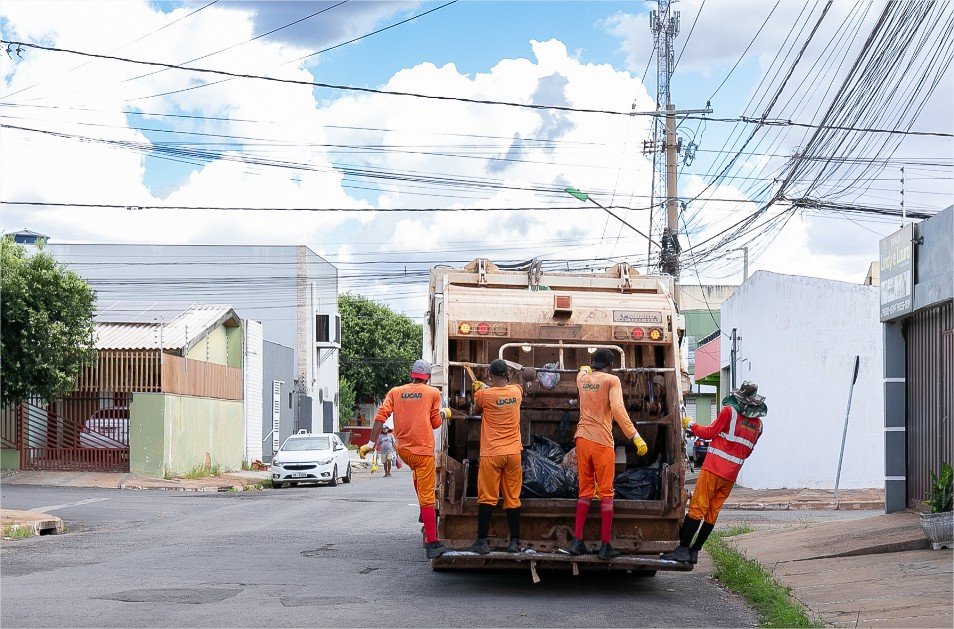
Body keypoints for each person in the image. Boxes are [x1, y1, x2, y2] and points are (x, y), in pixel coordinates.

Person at [662, 380, 767, 564]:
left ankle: (682, 550)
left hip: (713, 469)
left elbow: (709, 433)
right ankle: (695, 551)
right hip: (731, 476)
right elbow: (748, 451)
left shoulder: (729, 412)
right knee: (712, 512)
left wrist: (690, 424)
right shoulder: (758, 426)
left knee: (697, 507)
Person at [560, 348, 649, 560]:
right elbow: (617, 408)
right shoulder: (612, 380)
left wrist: (583, 370)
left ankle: (577, 541)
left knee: (585, 491)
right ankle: (605, 546)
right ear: (611, 364)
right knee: (606, 493)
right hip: (601, 441)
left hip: (581, 439)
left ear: (593, 363)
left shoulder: (583, 380)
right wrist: (634, 435)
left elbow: (580, 374)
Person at [359, 359, 452, 559]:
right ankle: (432, 542)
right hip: (423, 451)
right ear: (427, 377)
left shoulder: (395, 392)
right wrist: (445, 413)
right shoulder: (433, 393)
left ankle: (423, 512)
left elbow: (380, 417)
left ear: (412, 374)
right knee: (428, 497)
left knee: (418, 476)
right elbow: (435, 423)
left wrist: (370, 444)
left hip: (404, 451)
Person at [466, 359, 524, 554]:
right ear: (507, 374)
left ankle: (482, 541)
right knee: (512, 498)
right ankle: (514, 542)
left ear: (490, 375)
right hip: (513, 453)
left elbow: (475, 410)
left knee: (487, 498)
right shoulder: (516, 392)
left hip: (492, 454)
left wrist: (480, 389)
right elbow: (518, 384)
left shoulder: (484, 395)